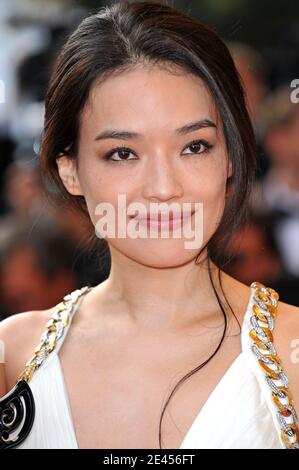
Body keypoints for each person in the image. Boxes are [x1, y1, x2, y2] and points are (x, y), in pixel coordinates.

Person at [0, 0, 298, 450]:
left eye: (194, 146)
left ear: (232, 155)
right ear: (70, 169)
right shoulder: (13, 354)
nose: (163, 188)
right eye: (123, 153)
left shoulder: (291, 353)